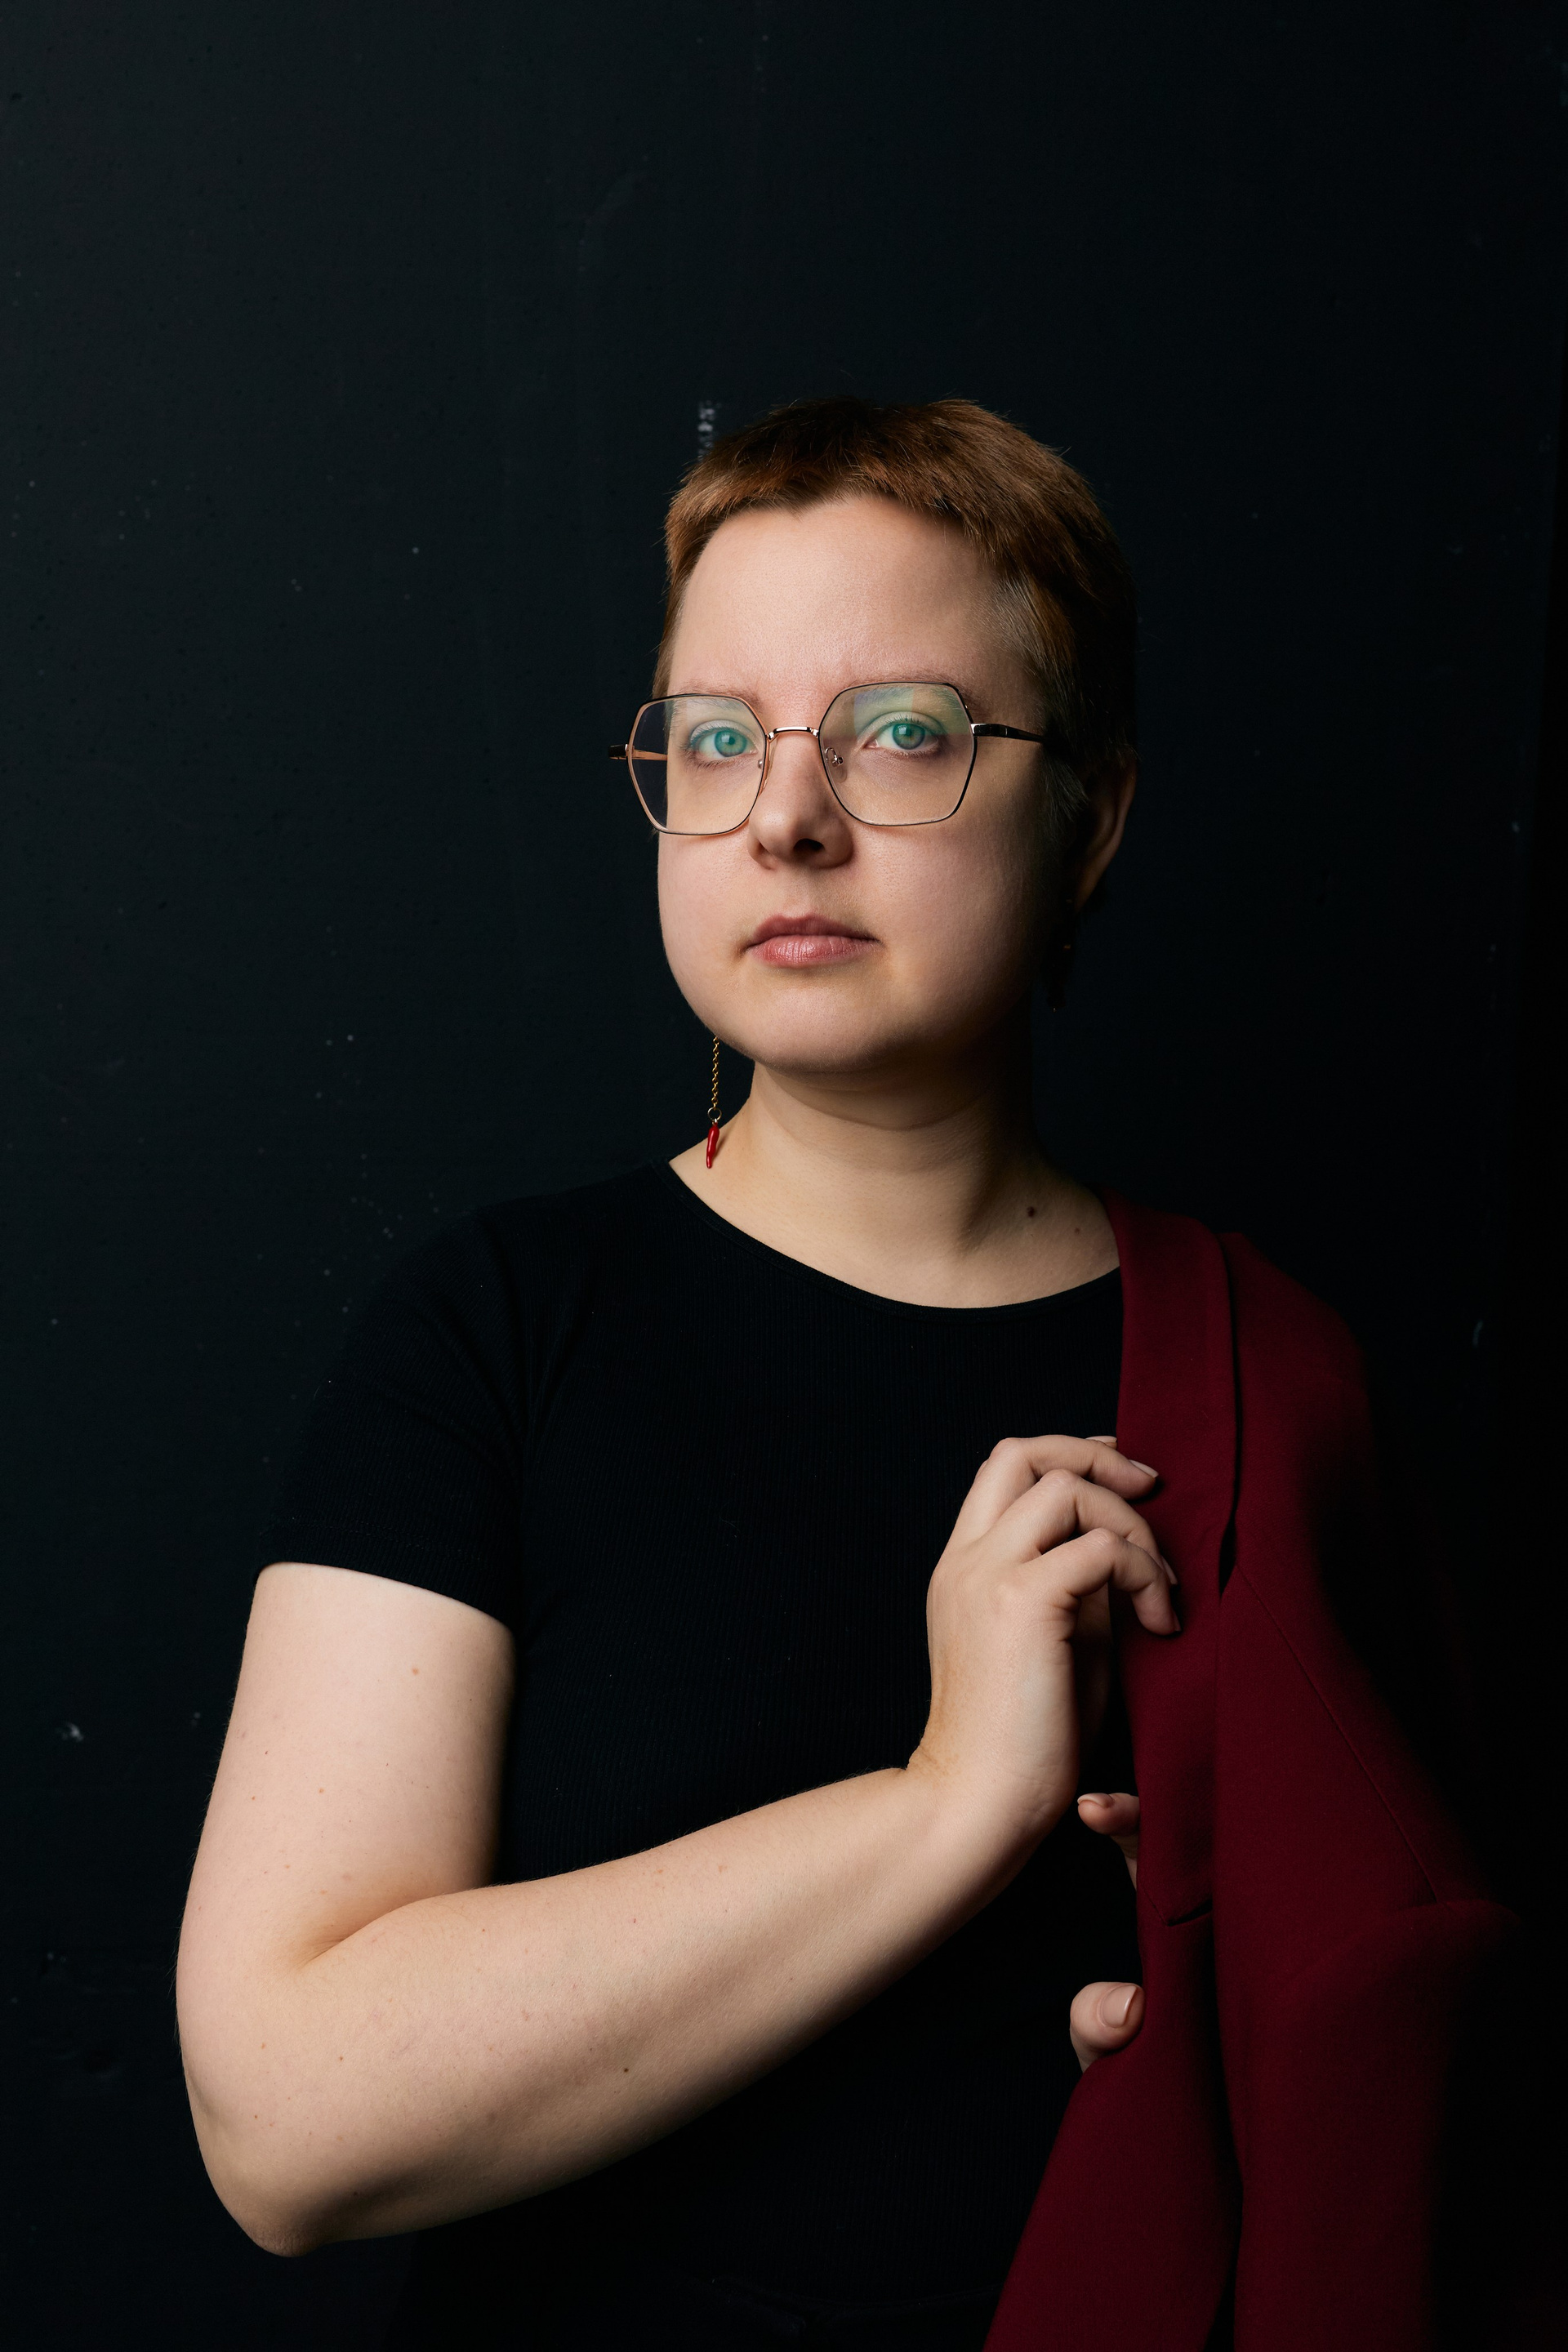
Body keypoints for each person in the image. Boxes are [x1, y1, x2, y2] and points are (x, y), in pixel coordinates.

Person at [176, 399, 1503, 2352]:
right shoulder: (494, 1329)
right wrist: (952, 1804)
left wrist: (1190, 2057)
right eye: (719, 740)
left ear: (1090, 815)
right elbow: (286, 2125)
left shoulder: (1276, 1378)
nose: (786, 820)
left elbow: (1398, 2081)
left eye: (900, 733)